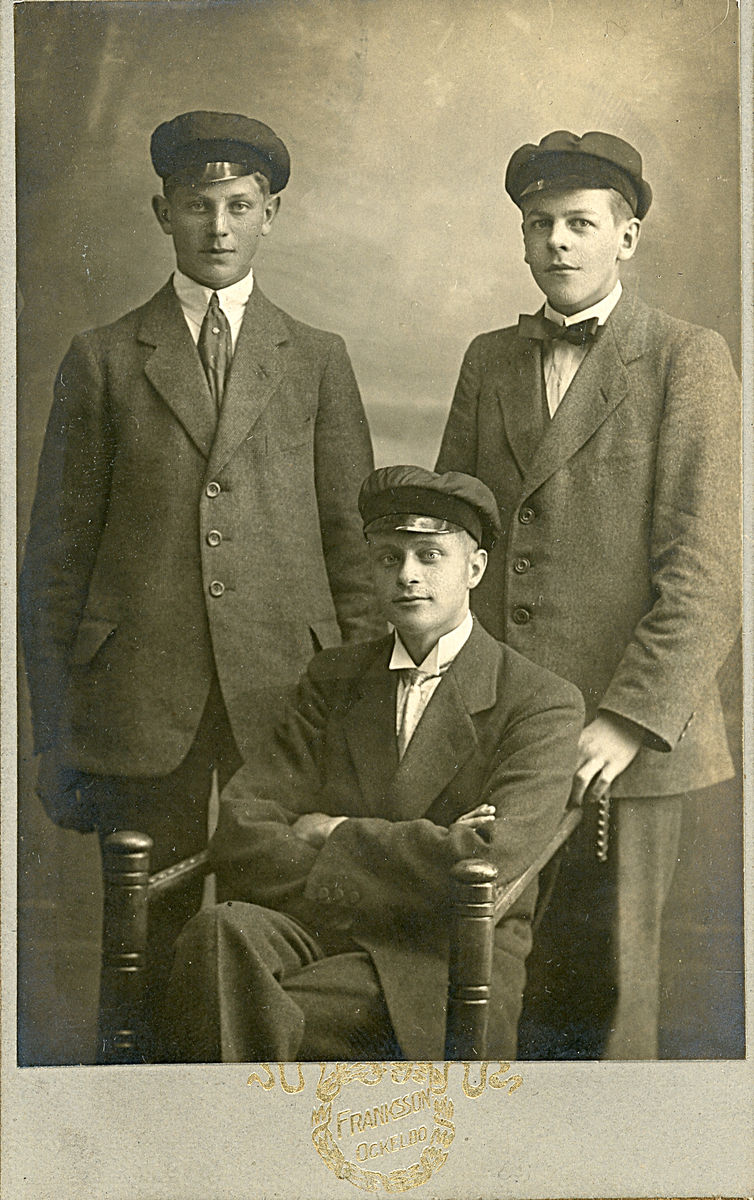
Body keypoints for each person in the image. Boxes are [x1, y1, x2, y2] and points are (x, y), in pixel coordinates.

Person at [19, 111, 380, 1048]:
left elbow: (354, 555)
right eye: (196, 206)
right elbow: (54, 566)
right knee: (142, 941)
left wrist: (357, 716)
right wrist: (56, 735)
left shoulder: (317, 359)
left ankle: (255, 1111)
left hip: (288, 697)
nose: (218, 227)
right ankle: (142, 1119)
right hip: (141, 700)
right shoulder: (103, 359)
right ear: (162, 213)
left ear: (271, 215)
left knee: (272, 935)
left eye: (239, 206)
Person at [434, 130, 741, 1059]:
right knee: (485, 977)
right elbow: (455, 542)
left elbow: (708, 569)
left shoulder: (686, 357)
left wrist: (627, 720)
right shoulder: (489, 358)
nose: (558, 242)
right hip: (502, 728)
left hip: (626, 743)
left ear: (627, 237)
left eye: (579, 223)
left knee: (605, 995)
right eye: (540, 224)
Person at [162, 466, 584, 1062]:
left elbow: (485, 863)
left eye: (429, 555)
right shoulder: (333, 678)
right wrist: (425, 848)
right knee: (217, 936)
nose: (407, 574)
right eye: (388, 557)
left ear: (475, 568)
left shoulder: (540, 700)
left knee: (230, 1001)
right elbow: (242, 829)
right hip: (320, 930)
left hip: (443, 956)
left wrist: (329, 831)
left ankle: (239, 1120)